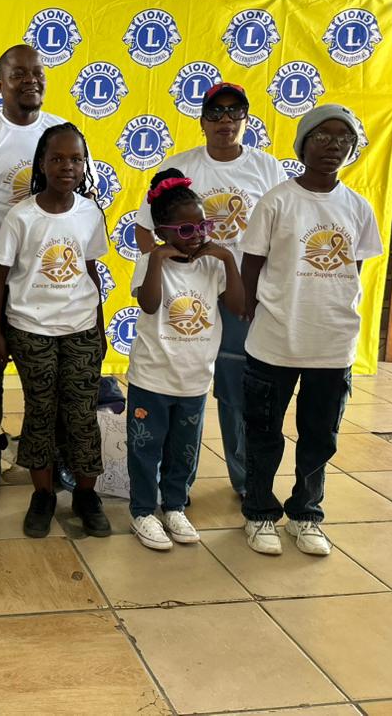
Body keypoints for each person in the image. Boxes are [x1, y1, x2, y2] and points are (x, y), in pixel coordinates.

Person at [0, 44, 96, 498]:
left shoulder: (60, 132)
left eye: (38, 72)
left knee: (57, 382)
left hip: (48, 280)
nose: (30, 80)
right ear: (0, 84)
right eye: (19, 74)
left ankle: (59, 456)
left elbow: (81, 206)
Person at [133, 83, 285, 502]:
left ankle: (244, 478)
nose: (225, 120)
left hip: (242, 293)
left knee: (237, 390)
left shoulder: (268, 168)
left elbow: (281, 230)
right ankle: (170, 486)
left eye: (235, 112)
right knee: (179, 384)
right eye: (215, 113)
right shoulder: (179, 165)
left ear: (246, 120)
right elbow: (145, 228)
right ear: (202, 122)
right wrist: (168, 271)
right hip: (188, 295)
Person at [240, 104, 381, 557]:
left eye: (344, 139)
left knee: (320, 436)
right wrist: (252, 309)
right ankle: (259, 512)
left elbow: (353, 271)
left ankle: (306, 514)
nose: (333, 146)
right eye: (322, 136)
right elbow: (252, 264)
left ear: (352, 149)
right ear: (303, 145)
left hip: (332, 343)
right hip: (275, 339)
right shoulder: (277, 201)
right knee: (263, 433)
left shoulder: (358, 207)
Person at [0, 123, 111, 539]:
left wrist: (100, 325)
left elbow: (91, 270)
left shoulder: (90, 212)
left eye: (76, 159)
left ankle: (86, 495)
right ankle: (42, 495)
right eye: (57, 158)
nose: (67, 166)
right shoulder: (21, 216)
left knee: (81, 414)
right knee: (41, 411)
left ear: (84, 165)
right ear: (41, 163)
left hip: (81, 327)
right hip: (30, 328)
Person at [126, 171, 243, 551]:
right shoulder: (150, 262)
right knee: (145, 449)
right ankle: (143, 511)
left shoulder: (212, 265)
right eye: (187, 230)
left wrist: (227, 259)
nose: (197, 236)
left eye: (203, 227)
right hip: (152, 378)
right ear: (163, 231)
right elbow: (149, 304)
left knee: (184, 452)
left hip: (194, 380)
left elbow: (239, 307)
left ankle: (174, 506)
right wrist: (158, 258)